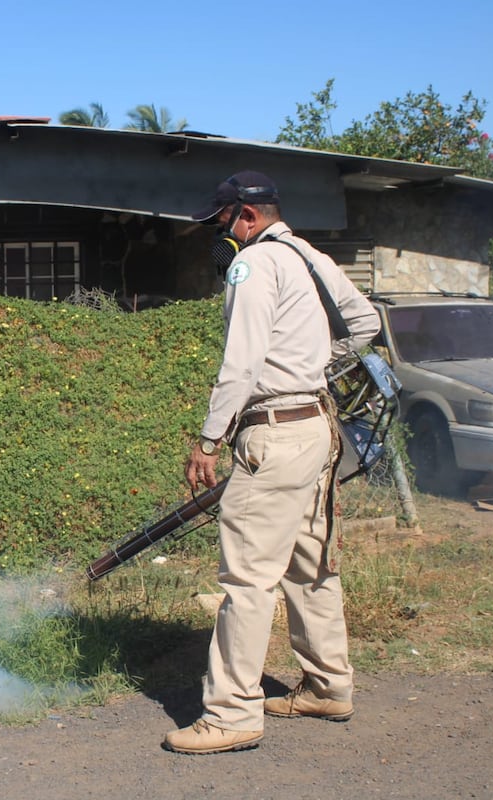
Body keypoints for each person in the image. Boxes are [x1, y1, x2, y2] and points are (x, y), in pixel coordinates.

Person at [163, 170, 380, 755]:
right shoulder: (309, 255)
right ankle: (327, 687)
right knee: (310, 562)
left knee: (248, 578)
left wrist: (209, 441)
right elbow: (366, 323)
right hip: (318, 427)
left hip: (276, 432)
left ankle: (232, 713)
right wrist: (313, 363)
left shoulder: (253, 264)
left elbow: (241, 364)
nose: (219, 235)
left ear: (246, 217)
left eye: (221, 223)